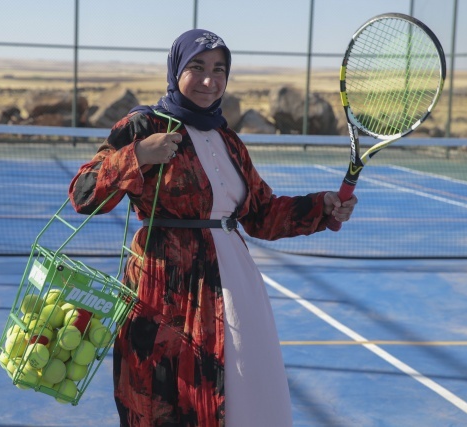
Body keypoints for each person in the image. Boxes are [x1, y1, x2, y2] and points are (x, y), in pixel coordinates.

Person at [69, 29, 357, 427]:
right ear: (176, 70)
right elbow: (84, 194)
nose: (210, 80)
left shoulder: (230, 141)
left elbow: (261, 214)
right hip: (163, 294)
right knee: (163, 398)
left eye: (219, 70)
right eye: (197, 67)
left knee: (239, 400)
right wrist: (138, 154)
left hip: (235, 292)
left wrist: (321, 207)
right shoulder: (144, 124)